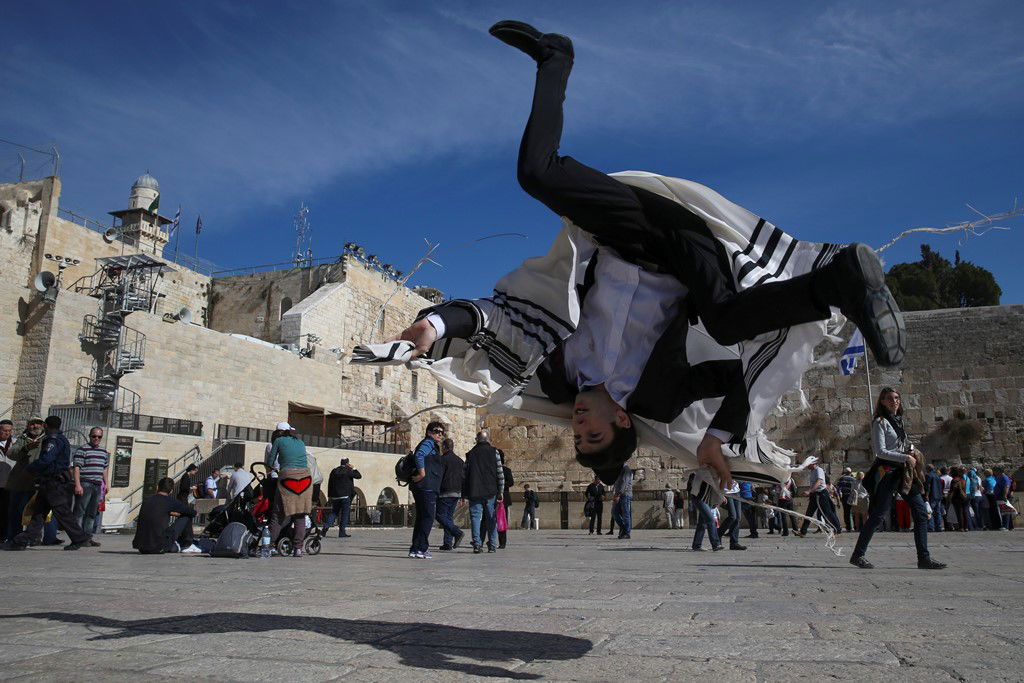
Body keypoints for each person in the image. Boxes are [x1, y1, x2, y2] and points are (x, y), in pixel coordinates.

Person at [364, 19, 907, 508]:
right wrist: (716, 439)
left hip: (622, 233)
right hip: (682, 252)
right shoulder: (661, 396)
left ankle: (554, 58)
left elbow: (497, 322)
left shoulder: (558, 375)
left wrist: (430, 328)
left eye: (577, 437)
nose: (579, 426)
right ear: (621, 420)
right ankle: (839, 282)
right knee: (724, 317)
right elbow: (739, 376)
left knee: (537, 173)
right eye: (593, 435)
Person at [850, 387, 945, 570]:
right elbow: (880, 451)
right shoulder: (880, 422)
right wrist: (905, 457)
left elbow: (900, 445)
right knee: (878, 515)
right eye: (889, 398)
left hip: (903, 473)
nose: (894, 401)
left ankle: (924, 558)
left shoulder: (898, 422)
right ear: (883, 402)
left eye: (896, 397)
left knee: (920, 512)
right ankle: (858, 555)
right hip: (888, 473)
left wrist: (910, 450)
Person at [5, 416, 93, 551]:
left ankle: (79, 538)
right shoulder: (60, 438)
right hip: (49, 482)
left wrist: (31, 468)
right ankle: (21, 541)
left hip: (53, 482)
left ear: (46, 425)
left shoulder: (53, 440)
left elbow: (47, 459)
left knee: (61, 512)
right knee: (38, 513)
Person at [267, 429, 312, 557]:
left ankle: (269, 545)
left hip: (287, 477)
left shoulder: (278, 441)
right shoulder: (300, 442)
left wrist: (272, 467)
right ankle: (298, 548)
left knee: (278, 514)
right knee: (300, 514)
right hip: (305, 478)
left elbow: (271, 461)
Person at [132, 477, 200, 554]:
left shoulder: (147, 500)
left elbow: (156, 512)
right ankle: (187, 544)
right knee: (186, 516)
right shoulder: (169, 501)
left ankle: (176, 544)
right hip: (158, 547)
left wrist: (170, 513)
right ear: (171, 491)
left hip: (141, 547)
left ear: (157, 487)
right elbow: (192, 512)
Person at [462, 429, 504, 553]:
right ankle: (492, 544)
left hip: (474, 490)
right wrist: (500, 490)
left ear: (477, 440)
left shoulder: (470, 454)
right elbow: (500, 473)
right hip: (491, 490)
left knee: (475, 517)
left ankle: (477, 544)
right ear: (488, 439)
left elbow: (464, 475)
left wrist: (464, 493)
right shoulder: (494, 452)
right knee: (491, 517)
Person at [409, 421, 445, 558]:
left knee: (422, 517)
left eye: (442, 432)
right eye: (437, 431)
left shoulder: (432, 444)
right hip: (427, 486)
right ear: (429, 432)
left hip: (424, 487)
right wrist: (422, 473)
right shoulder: (428, 443)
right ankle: (422, 549)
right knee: (428, 517)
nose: (439, 434)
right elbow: (419, 455)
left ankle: (415, 548)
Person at [72, 427, 109, 537]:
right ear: (89, 436)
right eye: (94, 436)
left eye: (99, 437)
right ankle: (78, 537)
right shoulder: (82, 450)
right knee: (80, 511)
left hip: (97, 485)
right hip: (85, 483)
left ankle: (87, 536)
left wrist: (106, 483)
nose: (96, 438)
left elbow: (104, 468)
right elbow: (76, 468)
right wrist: (78, 485)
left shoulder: (103, 451)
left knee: (92, 513)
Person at [795, 460, 842, 537]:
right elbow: (813, 483)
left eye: (808, 464)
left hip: (822, 494)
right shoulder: (813, 471)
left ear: (813, 463)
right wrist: (811, 494)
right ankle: (803, 532)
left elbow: (819, 482)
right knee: (809, 513)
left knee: (828, 512)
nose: (807, 466)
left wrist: (809, 491)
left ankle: (838, 530)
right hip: (815, 495)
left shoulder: (818, 470)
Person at [435, 440, 465, 551]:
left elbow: (439, 476)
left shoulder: (442, 460)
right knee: (448, 518)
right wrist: (463, 495)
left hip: (445, 492)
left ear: (444, 447)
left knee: (439, 515)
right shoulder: (460, 461)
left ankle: (457, 532)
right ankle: (447, 543)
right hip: (457, 492)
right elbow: (463, 479)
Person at [325, 457, 362, 539]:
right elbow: (359, 476)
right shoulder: (348, 471)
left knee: (334, 512)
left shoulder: (334, 471)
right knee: (344, 514)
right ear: (347, 463)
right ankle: (342, 532)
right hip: (345, 496)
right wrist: (354, 468)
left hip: (335, 496)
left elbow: (330, 484)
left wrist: (329, 496)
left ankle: (325, 527)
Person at [688, 471, 722, 551]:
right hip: (699, 499)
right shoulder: (696, 474)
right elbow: (690, 488)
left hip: (706, 500)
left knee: (702, 524)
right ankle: (716, 544)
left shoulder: (712, 475)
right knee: (710, 520)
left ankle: (696, 545)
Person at [719, 481, 746, 550]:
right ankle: (718, 534)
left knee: (738, 518)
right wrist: (721, 494)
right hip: (726, 492)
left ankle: (734, 543)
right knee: (732, 516)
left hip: (736, 492)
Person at [0, 419, 14, 542]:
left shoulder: (14, 443)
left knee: (7, 511)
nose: (7, 433)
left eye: (9, 431)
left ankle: (5, 535)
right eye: (4, 430)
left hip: (10, 483)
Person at [611, 463, 633, 539]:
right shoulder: (619, 469)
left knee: (625, 514)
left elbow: (624, 483)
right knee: (614, 512)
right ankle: (623, 528)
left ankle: (627, 533)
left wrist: (618, 494)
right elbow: (616, 483)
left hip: (625, 495)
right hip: (618, 495)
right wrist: (615, 494)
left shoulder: (626, 469)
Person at [497, 454, 514, 549]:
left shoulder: (506, 470)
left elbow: (511, 482)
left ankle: (502, 542)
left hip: (503, 497)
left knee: (502, 520)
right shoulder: (506, 470)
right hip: (500, 497)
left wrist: (501, 485)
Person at [948, 466, 970, 532]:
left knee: (959, 512)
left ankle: (961, 527)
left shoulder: (954, 480)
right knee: (965, 512)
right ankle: (966, 527)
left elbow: (952, 491)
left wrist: (949, 499)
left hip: (957, 498)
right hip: (964, 496)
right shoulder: (963, 479)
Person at [924, 464, 945, 532]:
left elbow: (928, 486)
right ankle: (938, 527)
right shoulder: (937, 476)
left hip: (932, 495)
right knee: (938, 512)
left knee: (930, 511)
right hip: (938, 495)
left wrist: (926, 495)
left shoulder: (928, 475)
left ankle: (931, 527)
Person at [836, 467, 857, 533]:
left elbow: (837, 487)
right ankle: (856, 527)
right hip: (852, 497)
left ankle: (848, 527)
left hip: (845, 497)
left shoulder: (842, 479)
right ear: (850, 472)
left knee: (846, 512)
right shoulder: (853, 479)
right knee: (854, 512)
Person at [993, 466, 1014, 531]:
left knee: (1005, 511)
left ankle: (1006, 526)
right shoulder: (999, 477)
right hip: (999, 496)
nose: (994, 472)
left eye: (995, 471)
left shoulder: (1004, 477)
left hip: (1002, 496)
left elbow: (1007, 486)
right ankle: (1010, 526)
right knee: (1005, 511)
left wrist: (1004, 495)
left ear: (999, 471)